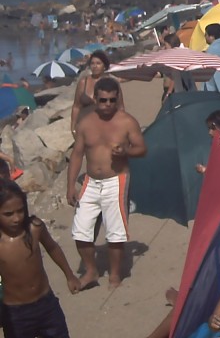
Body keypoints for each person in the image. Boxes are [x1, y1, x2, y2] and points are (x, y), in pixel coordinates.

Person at [66, 77, 147, 289]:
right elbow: (77, 154)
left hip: (116, 180)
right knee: (80, 230)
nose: (108, 105)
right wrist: (70, 186)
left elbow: (141, 148)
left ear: (117, 98)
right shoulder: (85, 122)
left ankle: (114, 275)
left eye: (112, 100)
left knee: (115, 233)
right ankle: (91, 271)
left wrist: (126, 151)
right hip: (90, 181)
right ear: (95, 98)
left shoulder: (127, 121)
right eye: (103, 100)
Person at [0, 179, 81, 338]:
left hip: (46, 303)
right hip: (15, 313)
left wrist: (69, 275)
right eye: (8, 214)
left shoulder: (34, 228)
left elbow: (52, 248)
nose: (16, 218)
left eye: (20, 211)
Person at [70, 50, 123, 136]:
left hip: (108, 126)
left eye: (98, 63)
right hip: (85, 127)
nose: (95, 66)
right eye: (92, 63)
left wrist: (121, 126)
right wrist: (73, 127)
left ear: (104, 66)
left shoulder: (112, 83)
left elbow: (120, 106)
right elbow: (76, 106)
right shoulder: (84, 82)